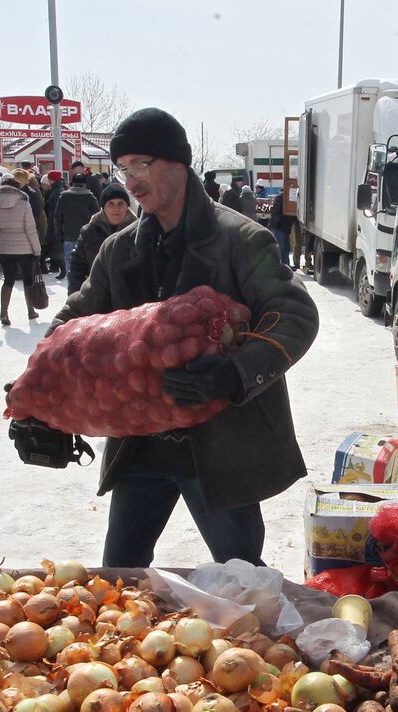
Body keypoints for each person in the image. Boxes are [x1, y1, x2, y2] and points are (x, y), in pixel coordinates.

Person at [38, 107, 318, 567]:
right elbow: (73, 321)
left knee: (240, 576)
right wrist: (38, 385)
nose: (130, 181)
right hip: (141, 446)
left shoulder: (241, 240)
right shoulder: (119, 250)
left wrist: (234, 372)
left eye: (140, 166)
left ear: (178, 162)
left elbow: (295, 313)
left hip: (219, 447)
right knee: (119, 575)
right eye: (123, 169)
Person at [0, 171, 42, 326]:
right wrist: (37, 249)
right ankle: (30, 310)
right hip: (24, 247)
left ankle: (3, 313)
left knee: (8, 280)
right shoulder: (24, 203)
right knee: (28, 280)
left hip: (5, 247)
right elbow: (30, 229)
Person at [68, 181, 134, 294]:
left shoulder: (137, 232)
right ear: (103, 208)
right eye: (111, 204)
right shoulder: (89, 232)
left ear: (127, 206)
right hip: (96, 296)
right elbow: (76, 267)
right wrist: (74, 296)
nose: (116, 208)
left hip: (128, 299)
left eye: (120, 203)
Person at [53, 173, 100, 281]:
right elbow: (97, 218)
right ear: (85, 184)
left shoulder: (64, 197)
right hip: (88, 238)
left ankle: (72, 290)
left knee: (70, 264)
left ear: (72, 183)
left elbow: (57, 218)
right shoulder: (90, 198)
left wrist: (59, 234)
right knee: (88, 266)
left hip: (69, 236)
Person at [42, 169, 66, 275]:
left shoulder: (57, 192)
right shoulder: (58, 190)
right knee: (55, 247)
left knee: (56, 247)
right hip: (54, 221)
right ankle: (59, 267)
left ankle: (62, 269)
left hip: (54, 222)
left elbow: (56, 210)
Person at [266, 190, 294, 266]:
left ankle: (284, 269)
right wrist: (278, 223)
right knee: (281, 251)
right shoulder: (282, 197)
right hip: (279, 228)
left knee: (284, 251)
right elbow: (276, 212)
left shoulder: (283, 197)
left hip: (282, 228)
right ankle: (279, 269)